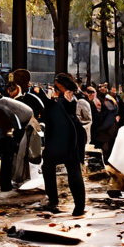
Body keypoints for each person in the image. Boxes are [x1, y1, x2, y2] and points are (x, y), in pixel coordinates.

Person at [41, 72, 86, 216]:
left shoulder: (60, 101)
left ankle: (53, 200)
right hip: (73, 138)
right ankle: (79, 207)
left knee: (50, 166)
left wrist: (46, 99)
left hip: (60, 139)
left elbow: (50, 116)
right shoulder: (71, 98)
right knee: (73, 169)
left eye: (55, 86)